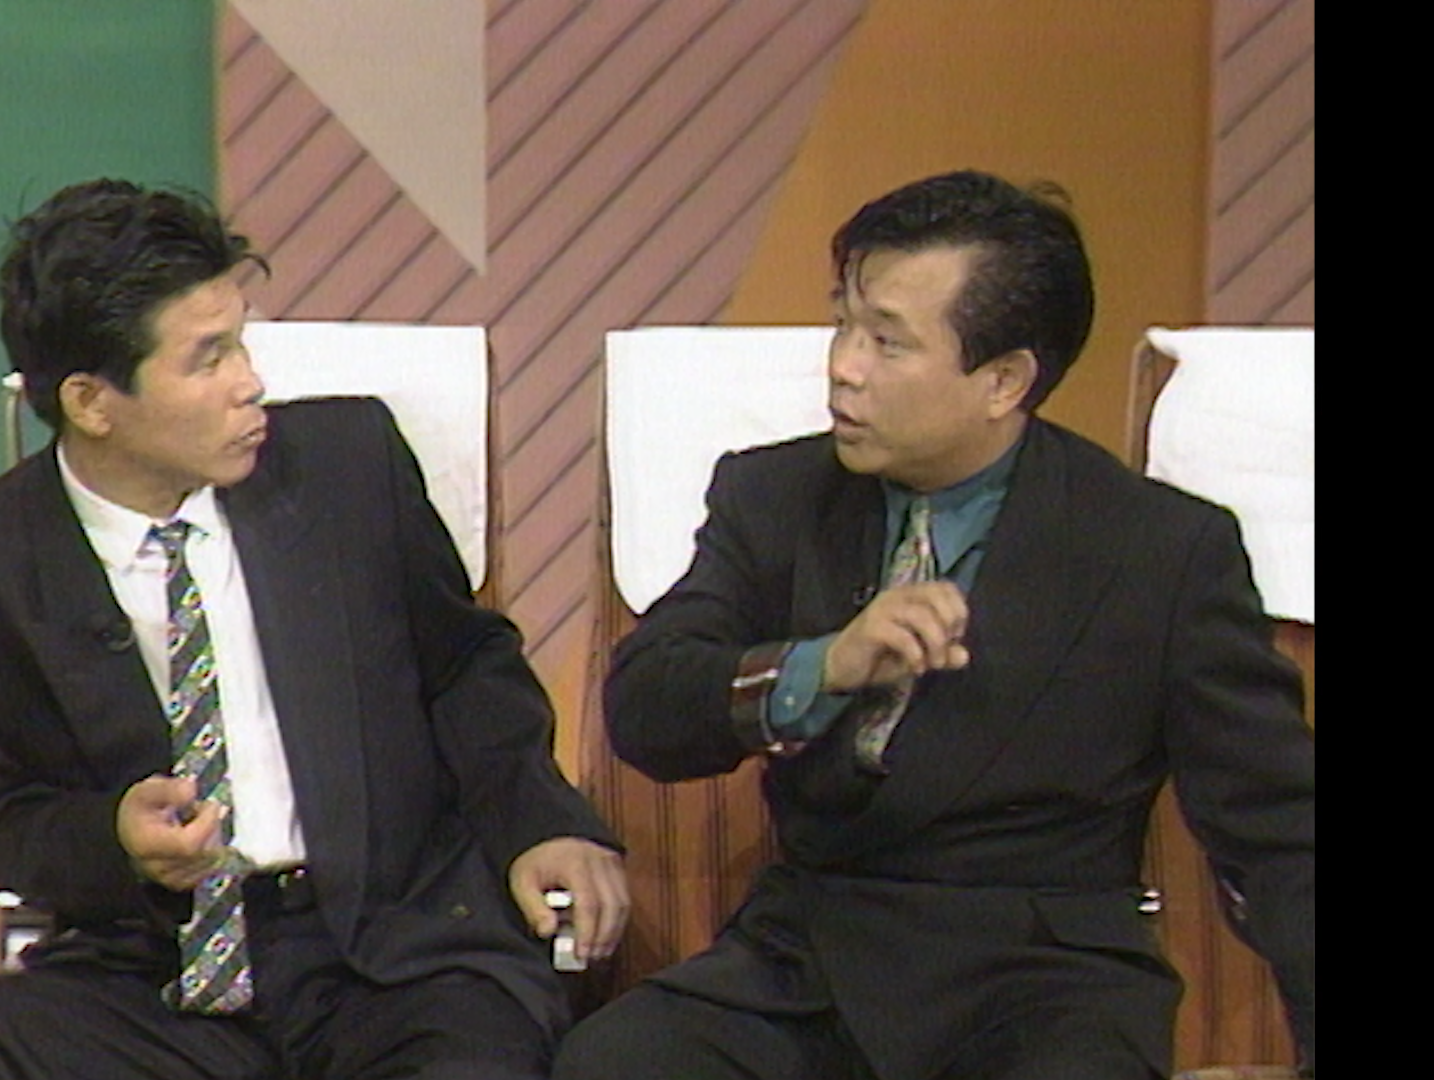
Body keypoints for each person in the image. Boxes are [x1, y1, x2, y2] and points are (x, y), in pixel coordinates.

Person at [554, 170, 1314, 1080]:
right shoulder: (774, 495)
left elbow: (1276, 825)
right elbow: (647, 706)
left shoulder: (1158, 550)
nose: (844, 366)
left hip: (1045, 981)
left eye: (887, 341)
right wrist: (822, 666)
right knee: (614, 1064)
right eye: (844, 323)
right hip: (812, 959)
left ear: (1003, 380)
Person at [0, 178, 629, 1080]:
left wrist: (543, 823)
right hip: (153, 976)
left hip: (396, 959)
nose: (251, 384)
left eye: (241, 341)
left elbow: (466, 666)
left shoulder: (347, 464)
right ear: (90, 402)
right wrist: (115, 837)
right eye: (208, 360)